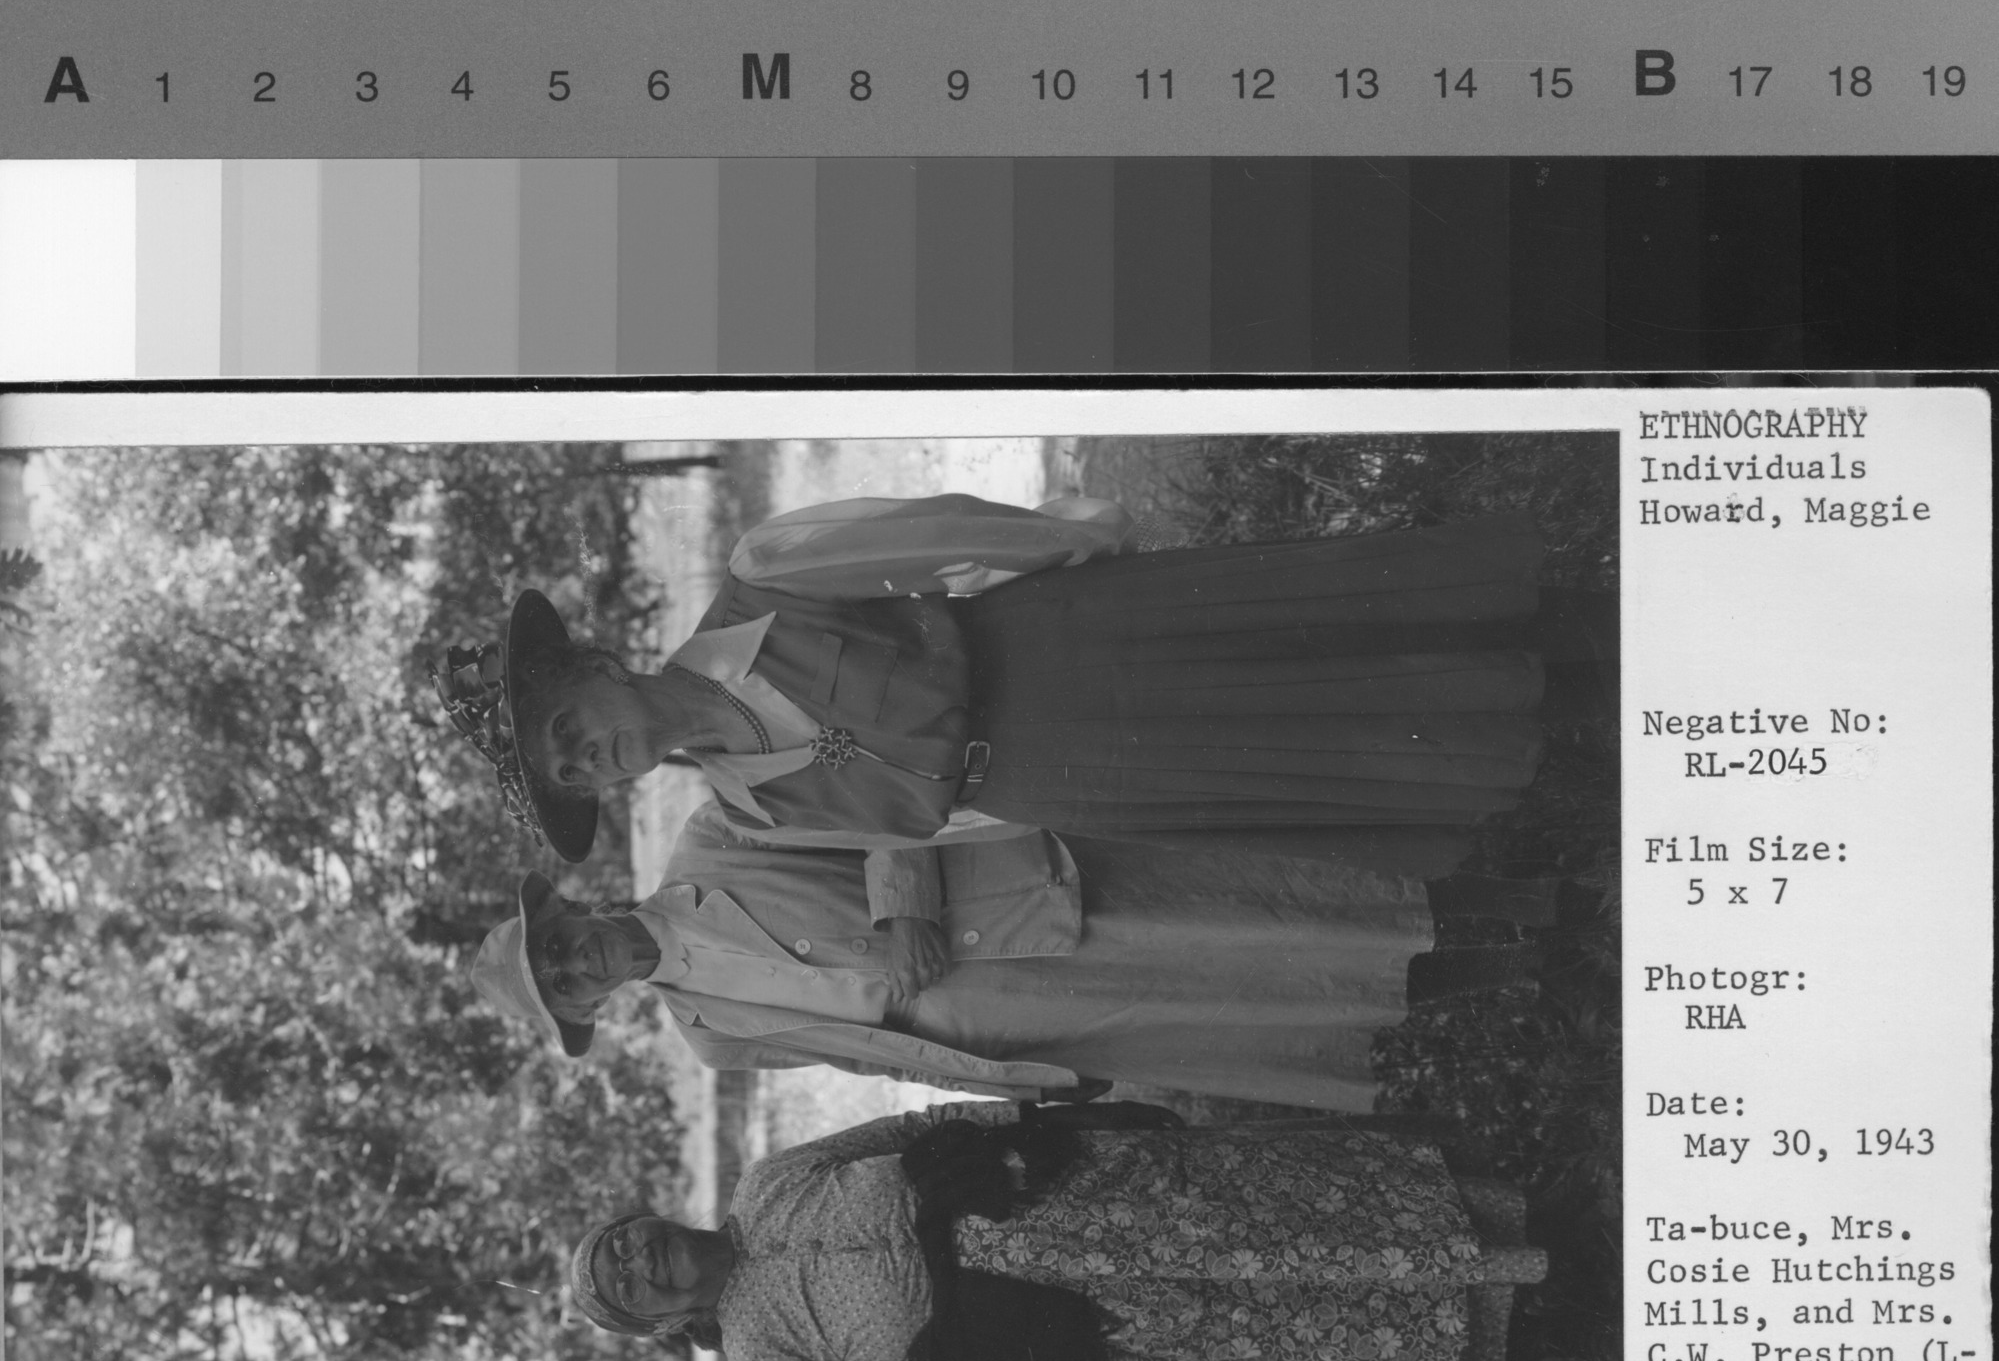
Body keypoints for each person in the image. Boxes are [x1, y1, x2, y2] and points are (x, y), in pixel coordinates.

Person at [430, 493, 1613, 870]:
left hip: (1069, 649)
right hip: (1069, 777)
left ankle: (1606, 635)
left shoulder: (760, 581)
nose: (592, 757)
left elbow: (936, 531)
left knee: (1319, 651)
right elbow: (926, 830)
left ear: (590, 665)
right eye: (572, 769)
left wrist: (1076, 553)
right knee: (1321, 750)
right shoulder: (747, 809)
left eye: (571, 726)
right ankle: (1595, 746)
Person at [568, 1098, 1548, 1361]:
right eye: (624, 1284)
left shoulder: (767, 1179)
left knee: (1279, 1220)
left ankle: (1492, 1238)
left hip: (1072, 1199)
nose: (633, 1261)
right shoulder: (759, 1350)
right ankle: (1512, 1359)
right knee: (1262, 1327)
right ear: (661, 1319)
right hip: (1038, 1328)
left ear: (646, 1215)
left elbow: (912, 1127)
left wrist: (1027, 1119)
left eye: (620, 1242)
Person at [470, 799, 1566, 1108]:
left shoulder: (712, 834)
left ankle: (1529, 899)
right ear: (591, 1009)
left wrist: (902, 905)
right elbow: (864, 1057)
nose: (579, 961)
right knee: (1252, 1004)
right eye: (567, 980)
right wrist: (993, 1076)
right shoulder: (711, 1040)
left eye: (559, 941)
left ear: (570, 903)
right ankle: (1519, 977)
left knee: (1259, 911)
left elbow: (879, 806)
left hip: (1007, 907)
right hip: (996, 1021)